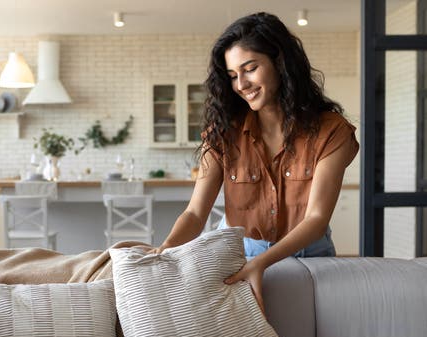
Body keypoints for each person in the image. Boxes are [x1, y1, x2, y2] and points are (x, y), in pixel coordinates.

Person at [148, 12, 359, 313]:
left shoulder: (331, 131)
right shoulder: (222, 134)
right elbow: (195, 213)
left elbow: (315, 219)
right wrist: (165, 249)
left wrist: (261, 264)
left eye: (250, 69)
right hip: (243, 256)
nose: (241, 84)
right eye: (233, 75)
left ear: (281, 63)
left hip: (312, 258)